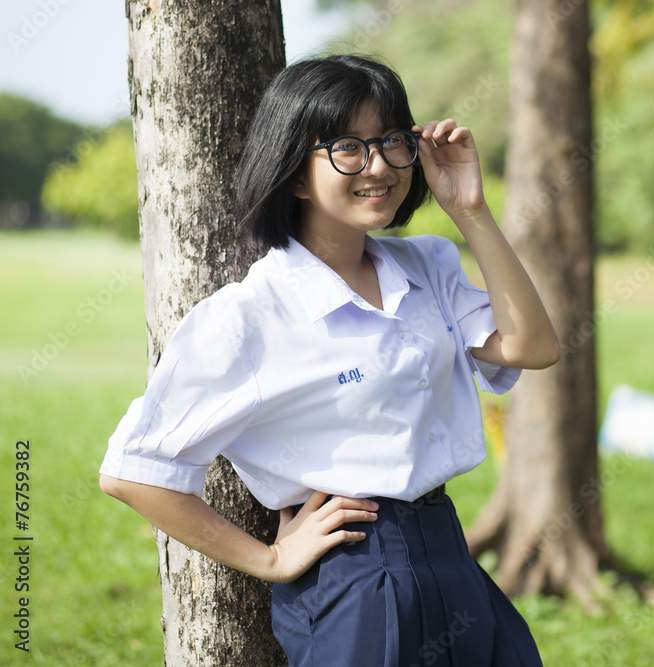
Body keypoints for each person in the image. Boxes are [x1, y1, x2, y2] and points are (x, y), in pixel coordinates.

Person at [98, 54, 559, 666]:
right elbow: (133, 470)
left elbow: (533, 347)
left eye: (391, 142)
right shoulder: (248, 315)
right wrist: (269, 559)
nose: (378, 166)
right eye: (347, 148)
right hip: (355, 579)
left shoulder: (426, 265)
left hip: (449, 554)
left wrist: (470, 210)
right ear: (294, 173)